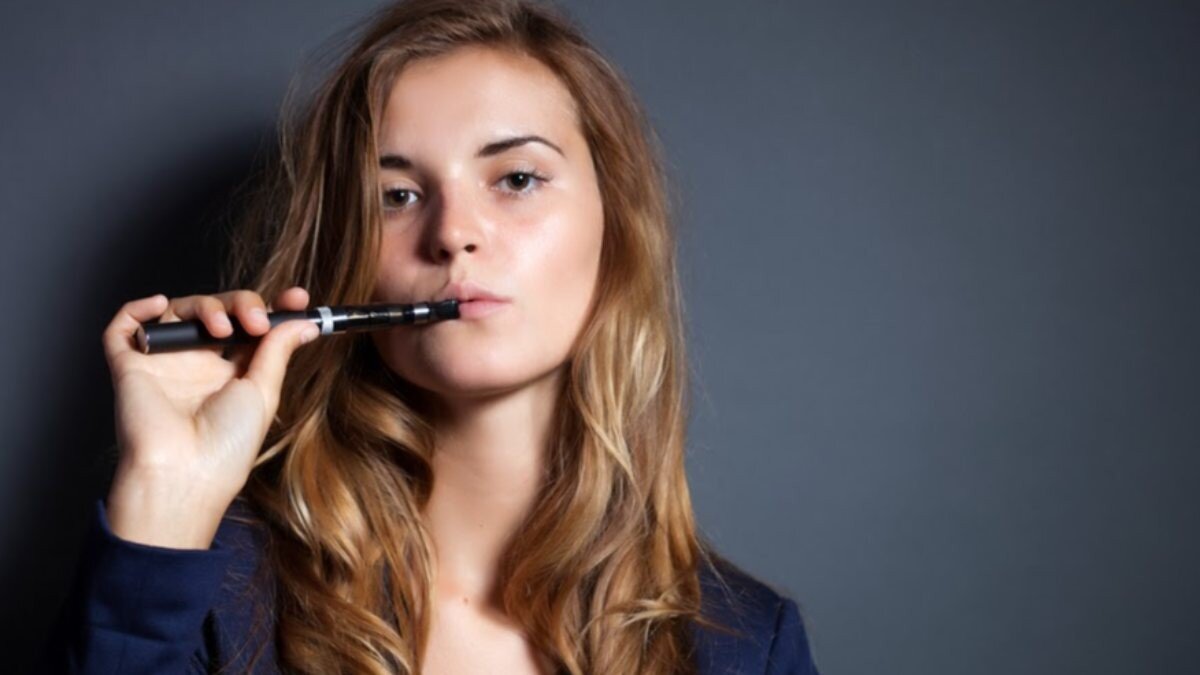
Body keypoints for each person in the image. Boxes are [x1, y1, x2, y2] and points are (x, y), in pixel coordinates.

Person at [39, 0, 820, 672]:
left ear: (614, 227)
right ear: (346, 254)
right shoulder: (217, 587)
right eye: (398, 195)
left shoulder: (744, 644)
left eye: (517, 179)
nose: (452, 233)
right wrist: (166, 496)